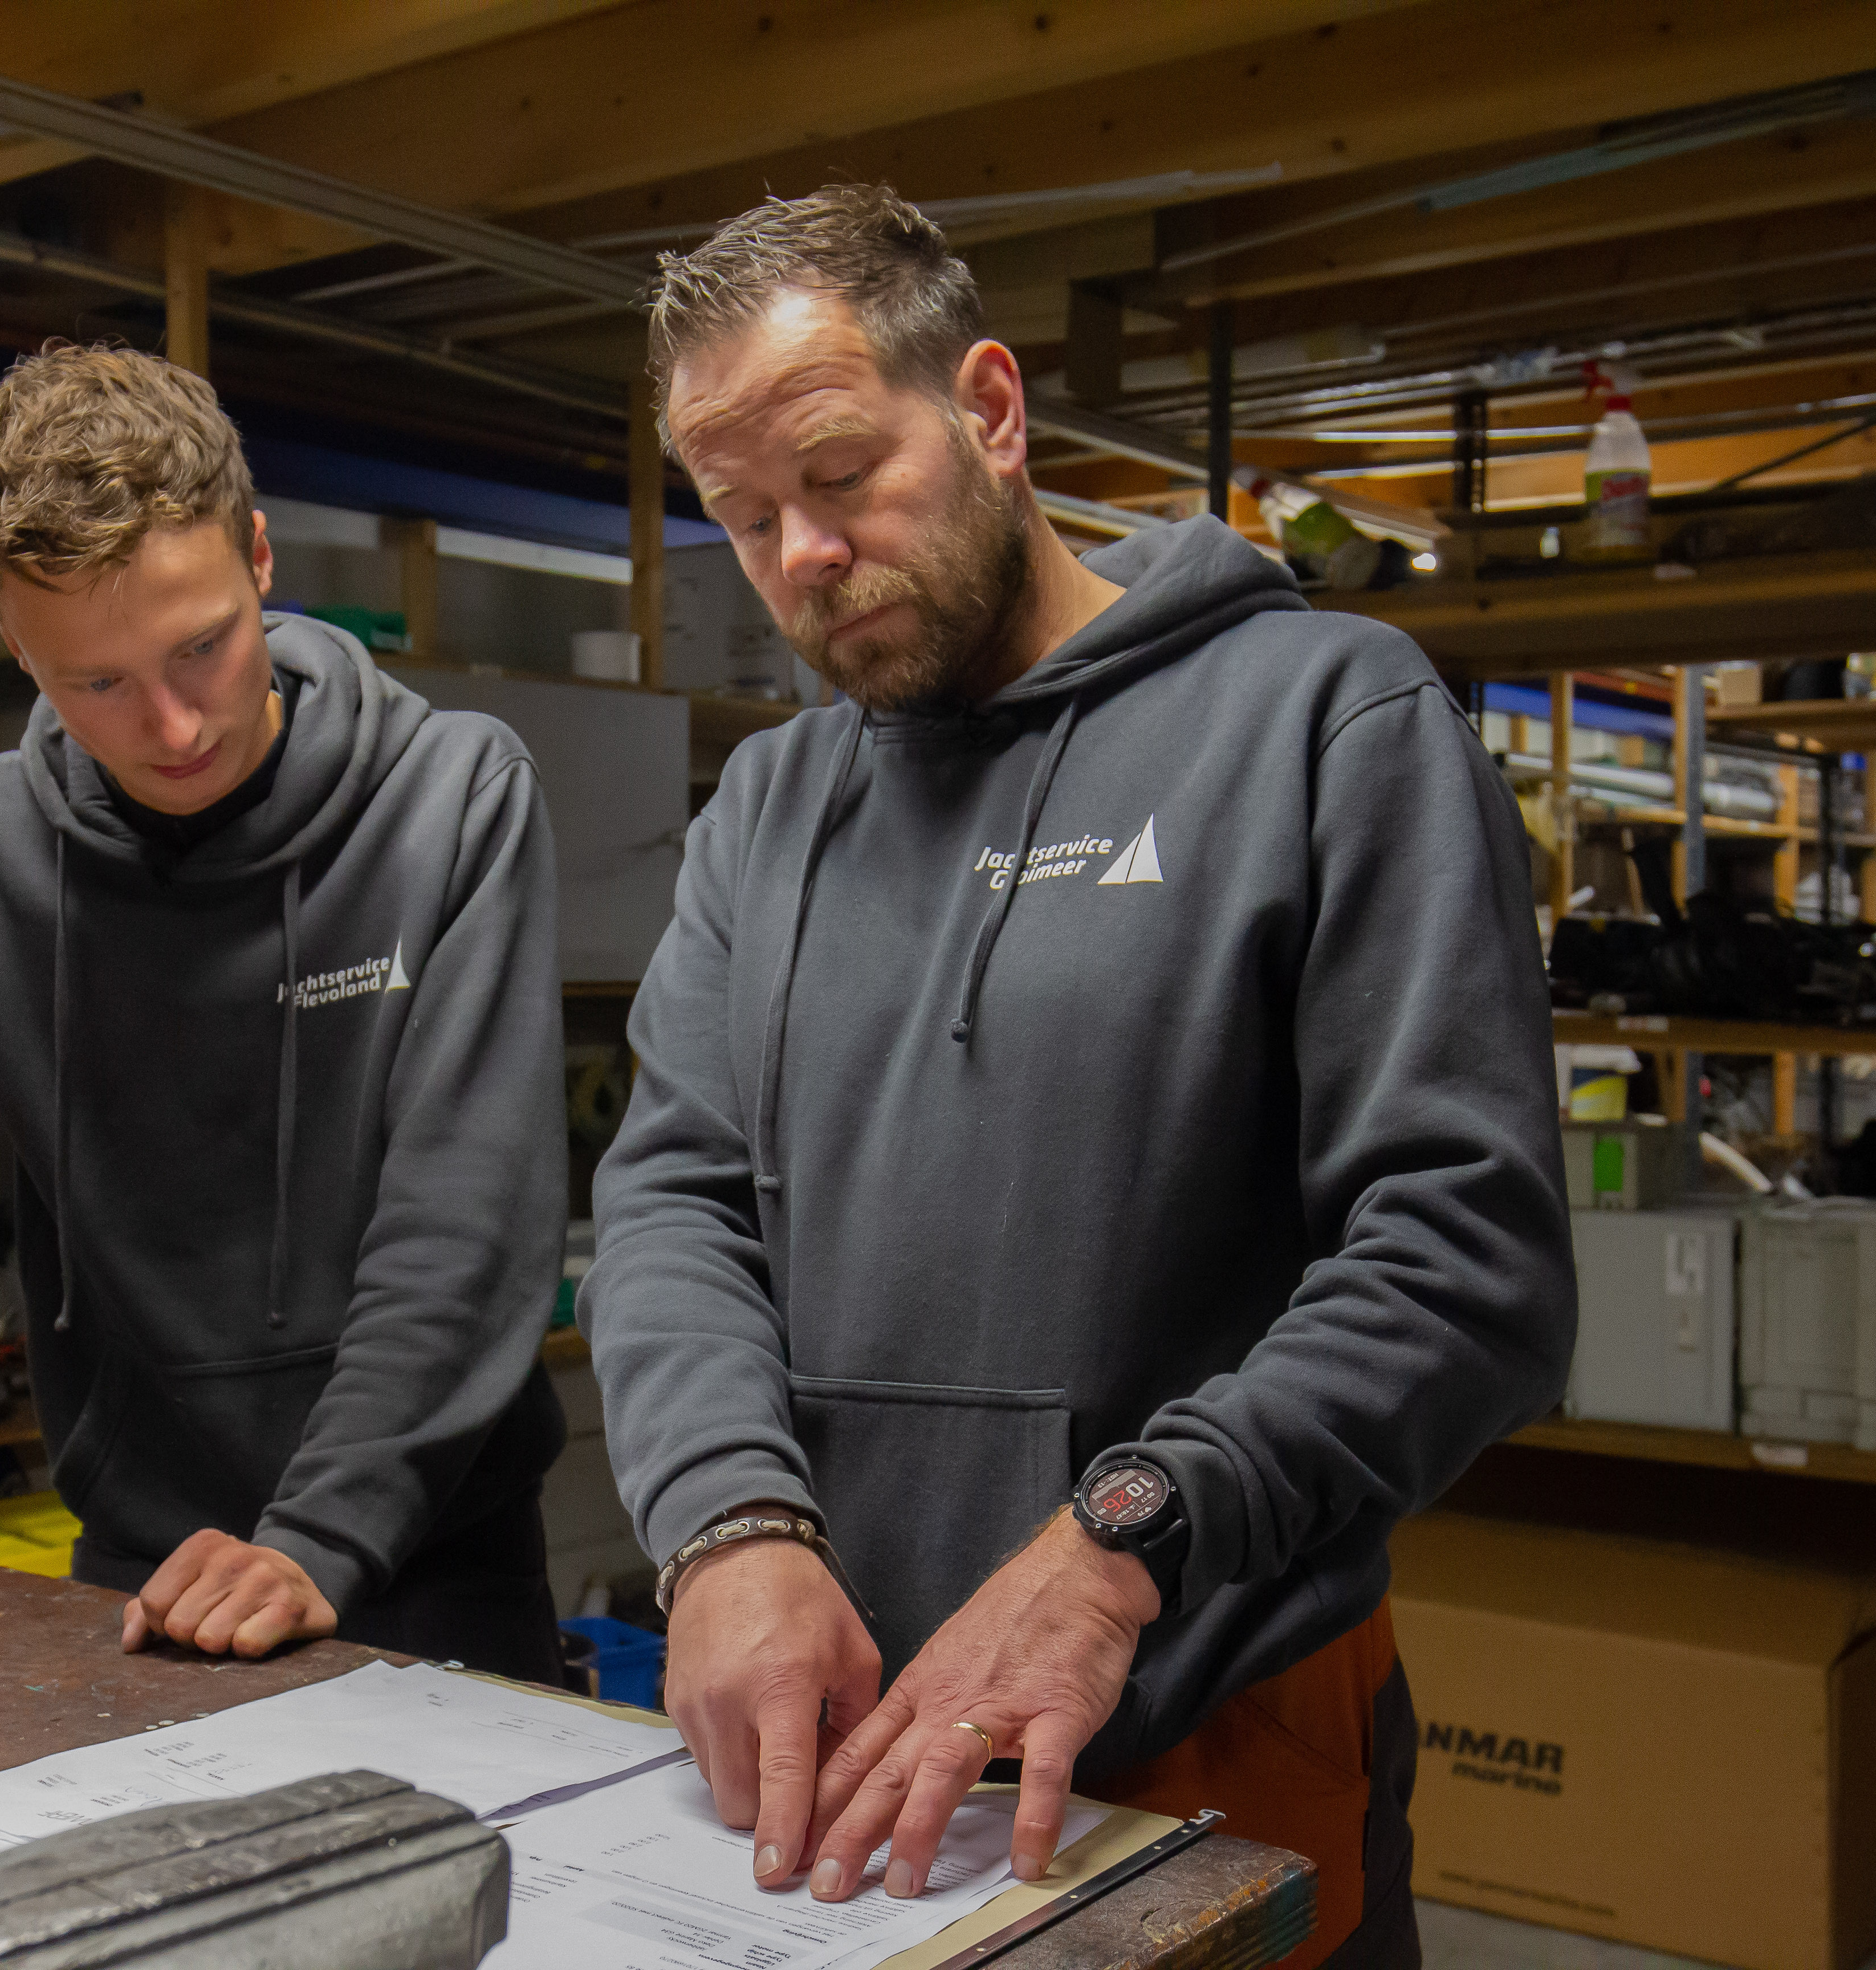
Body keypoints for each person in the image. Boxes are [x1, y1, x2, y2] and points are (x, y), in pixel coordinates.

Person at [583, 186, 1574, 1965]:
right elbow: (674, 1195)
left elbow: (1465, 1258)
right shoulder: (770, 811)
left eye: (837, 472)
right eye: (742, 517)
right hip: (856, 1743)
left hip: (1207, 1695)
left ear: (989, 405)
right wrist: (728, 1527)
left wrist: (1123, 1537)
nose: (801, 552)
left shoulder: (1325, 722)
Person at [0, 344, 568, 1682]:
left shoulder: (449, 801)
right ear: (11, 641)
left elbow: (463, 1227)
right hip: (143, 1584)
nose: (171, 726)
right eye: (95, 683)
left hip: (425, 1576)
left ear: (261, 559)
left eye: (202, 649)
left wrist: (318, 1540)